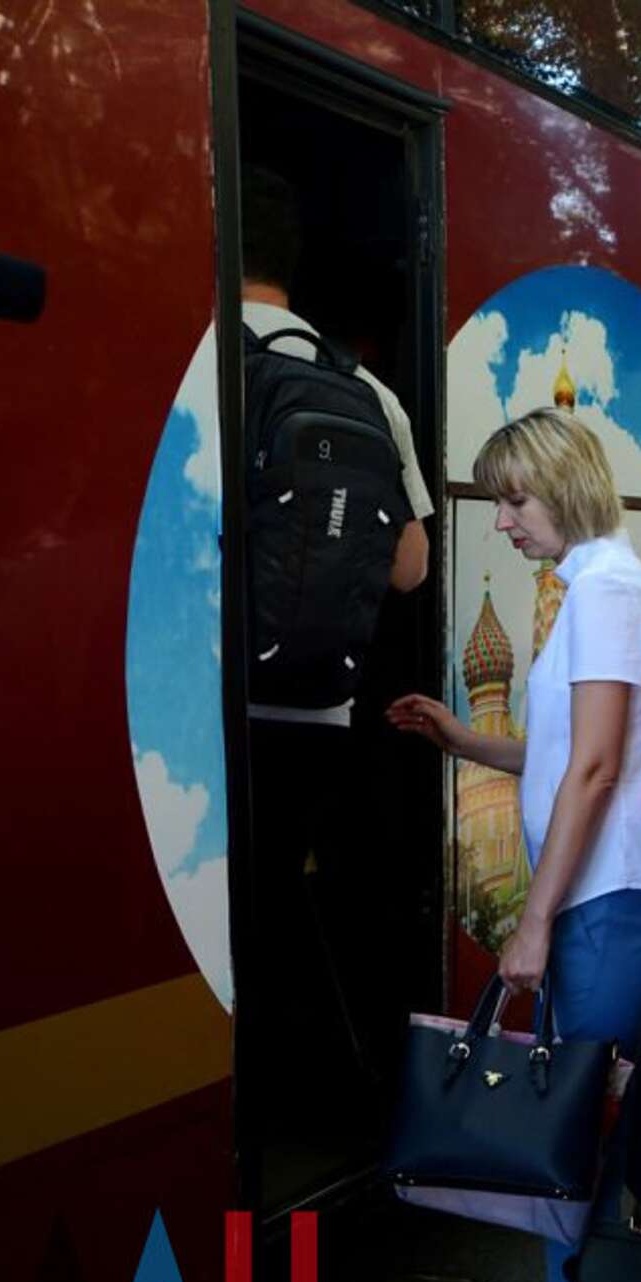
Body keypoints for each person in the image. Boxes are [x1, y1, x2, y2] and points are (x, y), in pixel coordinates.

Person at [385, 409, 641, 1282]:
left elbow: (594, 770)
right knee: (585, 1166)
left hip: (604, 907)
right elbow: (568, 755)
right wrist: (466, 740)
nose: (502, 521)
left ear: (563, 486)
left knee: (573, 1171)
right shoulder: (597, 587)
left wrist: (535, 920)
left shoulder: (604, 592)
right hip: (607, 903)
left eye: (514, 500)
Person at [237, 166, 435, 1202]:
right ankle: (289, 1098)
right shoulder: (367, 390)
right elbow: (411, 568)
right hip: (320, 705)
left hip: (209, 705)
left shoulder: (193, 361)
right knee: (281, 902)